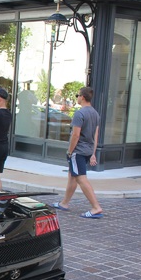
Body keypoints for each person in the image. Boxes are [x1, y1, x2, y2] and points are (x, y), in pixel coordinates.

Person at [52, 86, 103, 219]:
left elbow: (75, 135)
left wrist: (70, 151)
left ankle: (96, 207)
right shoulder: (95, 113)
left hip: (78, 151)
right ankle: (64, 203)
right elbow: (96, 135)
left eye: (78, 95)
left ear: (83, 97)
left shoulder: (80, 114)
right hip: (87, 151)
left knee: (80, 177)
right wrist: (93, 152)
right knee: (72, 175)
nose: (77, 98)